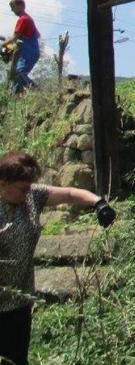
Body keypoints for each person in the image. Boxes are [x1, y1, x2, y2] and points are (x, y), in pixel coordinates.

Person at [0, 151, 116, 365]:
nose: (27, 193)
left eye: (29, 187)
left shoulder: (32, 196)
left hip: (19, 300)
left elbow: (70, 194)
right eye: (22, 188)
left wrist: (98, 203)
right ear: (3, 182)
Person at [4, 0, 40, 94]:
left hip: (28, 53)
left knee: (19, 75)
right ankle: (17, 96)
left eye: (13, 7)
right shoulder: (28, 18)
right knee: (17, 77)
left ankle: (38, 90)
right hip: (28, 52)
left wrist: (3, 45)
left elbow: (15, 38)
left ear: (21, 6)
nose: (12, 10)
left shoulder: (23, 19)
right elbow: (37, 35)